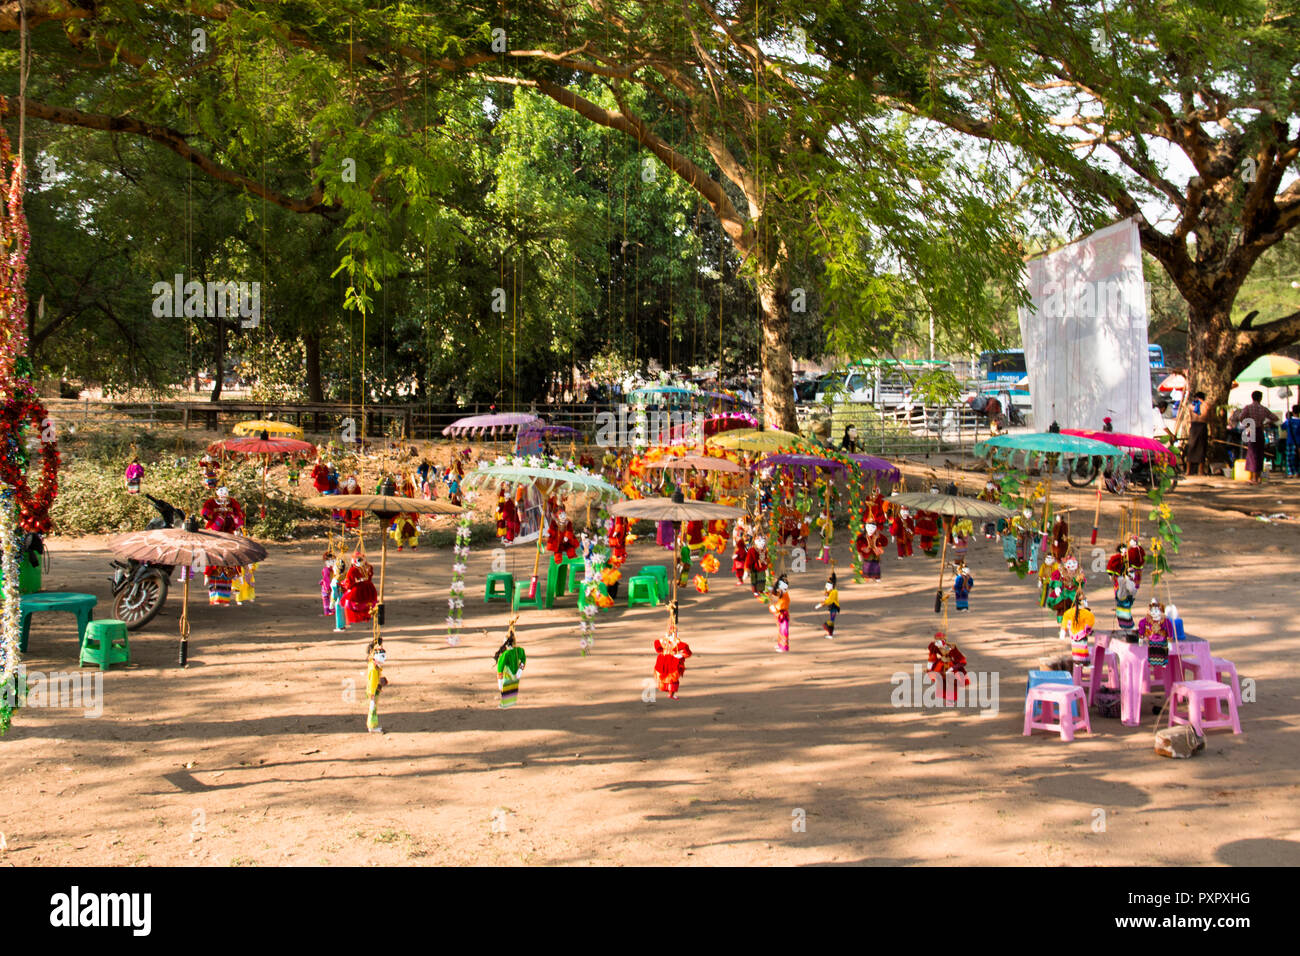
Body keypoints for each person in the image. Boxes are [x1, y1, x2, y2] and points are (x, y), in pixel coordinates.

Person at [1229, 390, 1278, 483]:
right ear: (1260, 398)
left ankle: (1253, 478)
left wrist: (1248, 423)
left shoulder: (1248, 407)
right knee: (1260, 454)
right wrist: (1265, 423)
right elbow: (1275, 418)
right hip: (1260, 431)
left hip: (1251, 430)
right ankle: (1258, 477)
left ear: (1252, 397)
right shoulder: (1263, 408)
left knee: (1252, 454)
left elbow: (1240, 417)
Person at [1185, 391, 1211, 476]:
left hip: (1194, 426)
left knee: (1191, 448)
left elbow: (1190, 416)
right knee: (1201, 448)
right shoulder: (1207, 405)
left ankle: (1188, 471)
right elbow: (1210, 419)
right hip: (1202, 426)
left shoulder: (1191, 405)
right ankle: (1200, 471)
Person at [769, 575, 792, 652]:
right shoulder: (782, 593)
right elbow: (776, 594)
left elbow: (780, 606)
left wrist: (773, 608)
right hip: (780, 614)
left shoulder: (785, 595)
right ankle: (780, 644)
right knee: (780, 630)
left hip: (783, 614)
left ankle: (784, 646)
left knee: (783, 630)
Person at [814, 572, 839, 638]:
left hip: (833, 606)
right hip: (832, 607)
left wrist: (821, 604)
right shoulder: (831, 591)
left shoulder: (833, 592)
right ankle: (831, 631)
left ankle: (830, 633)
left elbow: (829, 600)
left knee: (831, 620)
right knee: (832, 619)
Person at [1284, 405, 1300, 478]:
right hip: (1298, 442)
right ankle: (1297, 472)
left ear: (1292, 411)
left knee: (1290, 458)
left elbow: (1282, 427)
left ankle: (1291, 472)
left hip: (1290, 441)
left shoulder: (1289, 421)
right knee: (1297, 458)